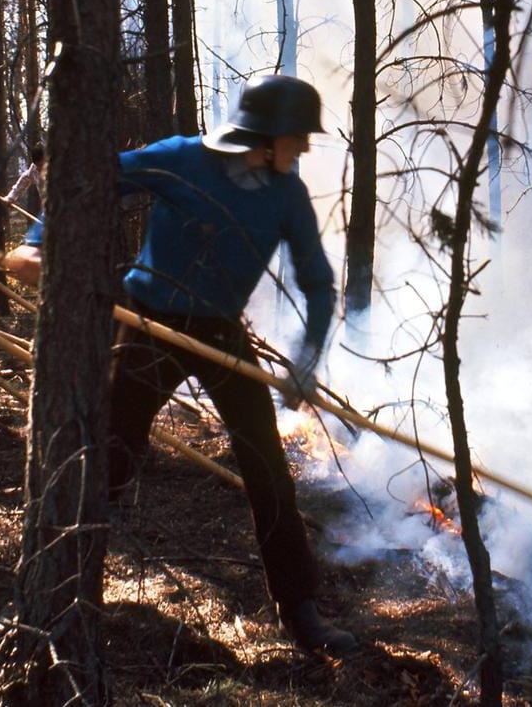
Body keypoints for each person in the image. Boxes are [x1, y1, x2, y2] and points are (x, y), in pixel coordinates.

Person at [104, 73, 355, 653]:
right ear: (264, 138)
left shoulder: (286, 193)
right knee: (113, 450)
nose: (305, 149)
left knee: (267, 467)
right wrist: (38, 242)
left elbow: (319, 284)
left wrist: (306, 362)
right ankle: (68, 582)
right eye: (298, 136)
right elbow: (90, 179)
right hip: (150, 323)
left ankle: (299, 610)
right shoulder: (180, 158)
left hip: (220, 329)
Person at [5, 143, 44, 219]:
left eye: (42, 165)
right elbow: (24, 180)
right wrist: (10, 198)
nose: (40, 169)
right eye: (38, 166)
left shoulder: (57, 169)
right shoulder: (34, 170)